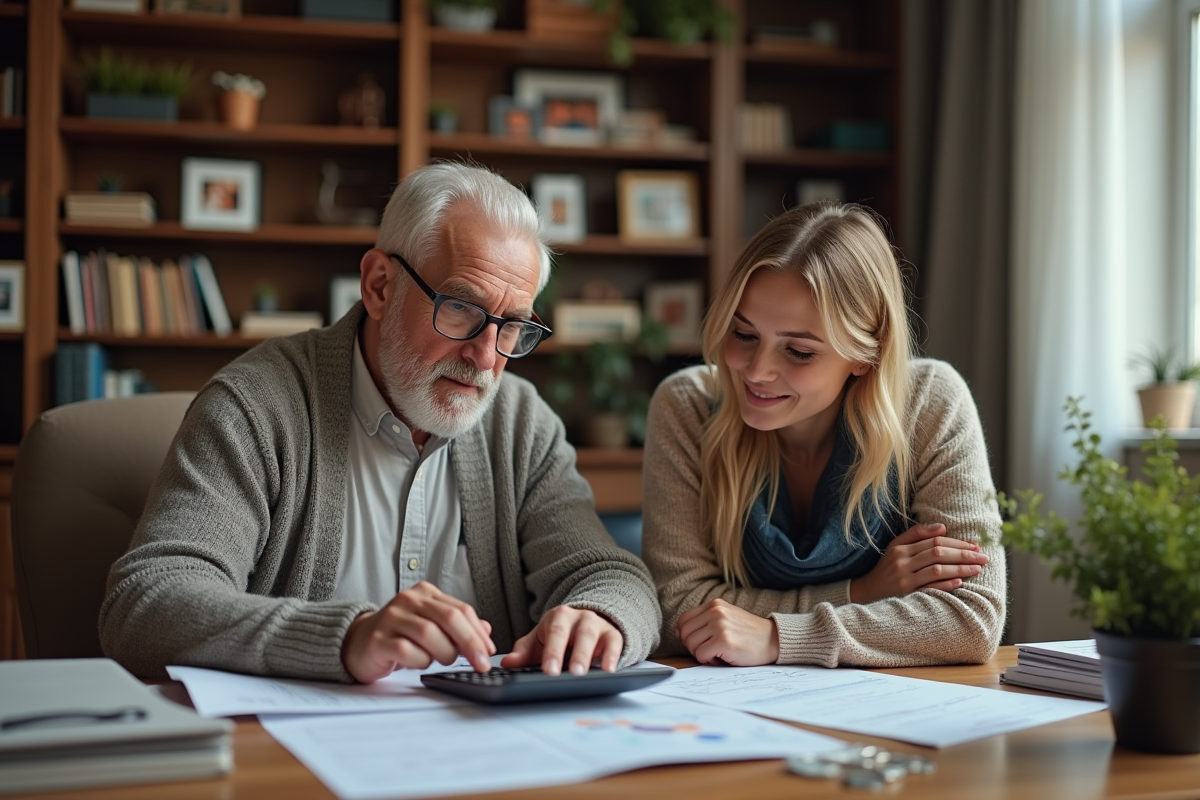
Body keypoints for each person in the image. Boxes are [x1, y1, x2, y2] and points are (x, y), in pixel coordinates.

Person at [100, 162, 661, 683]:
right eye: (462, 306)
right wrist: (347, 638)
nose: (488, 358)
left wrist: (599, 616)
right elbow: (147, 601)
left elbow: (613, 575)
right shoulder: (255, 406)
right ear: (378, 286)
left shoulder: (521, 425)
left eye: (511, 326)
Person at [641, 202, 1005, 668]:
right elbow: (678, 609)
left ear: (864, 356)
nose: (757, 371)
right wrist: (862, 592)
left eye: (798, 351)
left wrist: (778, 638)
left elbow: (970, 620)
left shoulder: (930, 402)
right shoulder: (688, 407)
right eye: (744, 334)